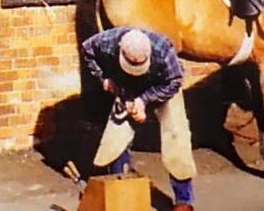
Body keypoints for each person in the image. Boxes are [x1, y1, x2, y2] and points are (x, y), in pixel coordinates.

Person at [81, 27, 196, 211]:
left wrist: (144, 100)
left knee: (176, 137)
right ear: (120, 50)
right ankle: (118, 189)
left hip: (163, 87)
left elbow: (174, 81)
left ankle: (184, 200)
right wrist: (104, 78)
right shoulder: (106, 42)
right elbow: (87, 50)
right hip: (127, 85)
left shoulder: (164, 51)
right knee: (115, 138)